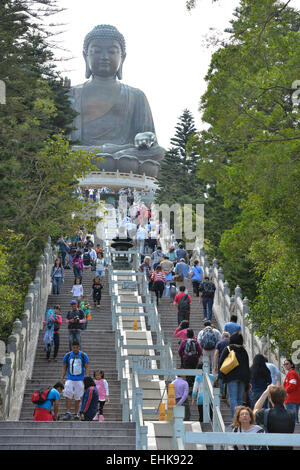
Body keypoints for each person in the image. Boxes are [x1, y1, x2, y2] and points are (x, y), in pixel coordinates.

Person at [70, 24, 165, 178]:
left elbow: (150, 145)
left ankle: (111, 155)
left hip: (124, 157)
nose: (105, 57)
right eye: (97, 51)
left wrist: (146, 139)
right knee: (61, 154)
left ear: (123, 56)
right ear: (85, 55)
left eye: (112, 51)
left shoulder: (136, 96)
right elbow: (61, 141)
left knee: (157, 153)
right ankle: (109, 154)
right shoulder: (71, 94)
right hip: (81, 155)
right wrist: (106, 150)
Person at [218, 333, 250, 419]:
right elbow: (247, 366)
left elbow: (221, 362)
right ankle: (240, 419)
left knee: (233, 398)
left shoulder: (228, 349)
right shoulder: (244, 351)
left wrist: (222, 376)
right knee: (239, 399)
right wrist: (247, 381)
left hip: (231, 377)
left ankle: (234, 419)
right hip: (243, 378)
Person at [254, 385, 295, 450]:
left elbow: (255, 410)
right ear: (284, 398)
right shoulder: (291, 414)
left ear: (270, 398)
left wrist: (266, 392)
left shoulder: (265, 413)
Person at [61, 339, 90, 421]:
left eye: (76, 347)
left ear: (79, 347)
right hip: (70, 378)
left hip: (80, 379)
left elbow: (87, 366)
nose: (75, 349)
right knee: (67, 394)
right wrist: (62, 377)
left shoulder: (83, 355)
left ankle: (76, 413)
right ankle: (68, 412)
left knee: (78, 396)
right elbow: (64, 367)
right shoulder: (67, 355)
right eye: (73, 347)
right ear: (71, 347)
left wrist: (86, 377)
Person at [283, 358, 300, 423]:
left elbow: (292, 385)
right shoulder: (292, 373)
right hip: (293, 399)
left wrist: (284, 392)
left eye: (287, 364)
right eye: (284, 364)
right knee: (294, 419)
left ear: (292, 365)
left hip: (291, 399)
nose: (285, 365)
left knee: (293, 420)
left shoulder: (291, 373)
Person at [214, 331, 230, 399]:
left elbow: (216, 354)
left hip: (221, 362)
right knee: (229, 377)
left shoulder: (219, 343)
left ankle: (222, 392)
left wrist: (215, 366)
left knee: (221, 377)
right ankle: (228, 393)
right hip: (230, 362)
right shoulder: (231, 343)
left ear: (222, 336)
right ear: (228, 337)